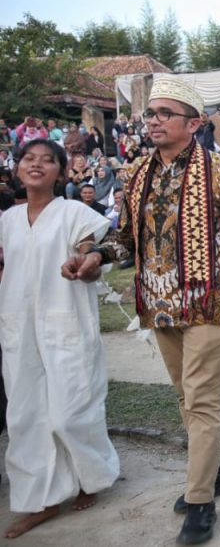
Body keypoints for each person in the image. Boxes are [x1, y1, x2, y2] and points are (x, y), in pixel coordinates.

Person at [81, 79, 220, 545]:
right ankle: (215, 472)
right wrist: (97, 258)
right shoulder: (137, 172)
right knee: (185, 397)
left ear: (193, 123)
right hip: (158, 302)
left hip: (210, 301)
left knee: (202, 398)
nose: (154, 120)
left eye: (165, 113)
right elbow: (124, 238)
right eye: (150, 113)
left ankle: (200, 502)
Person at [0, 139, 119, 539]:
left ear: (62, 172)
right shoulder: (7, 221)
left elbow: (91, 253)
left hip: (66, 323)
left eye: (47, 160)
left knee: (72, 410)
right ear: (17, 168)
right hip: (19, 327)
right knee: (26, 415)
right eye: (28, 159)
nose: (36, 165)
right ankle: (42, 499)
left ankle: (91, 476)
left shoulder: (73, 212)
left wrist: (85, 265)